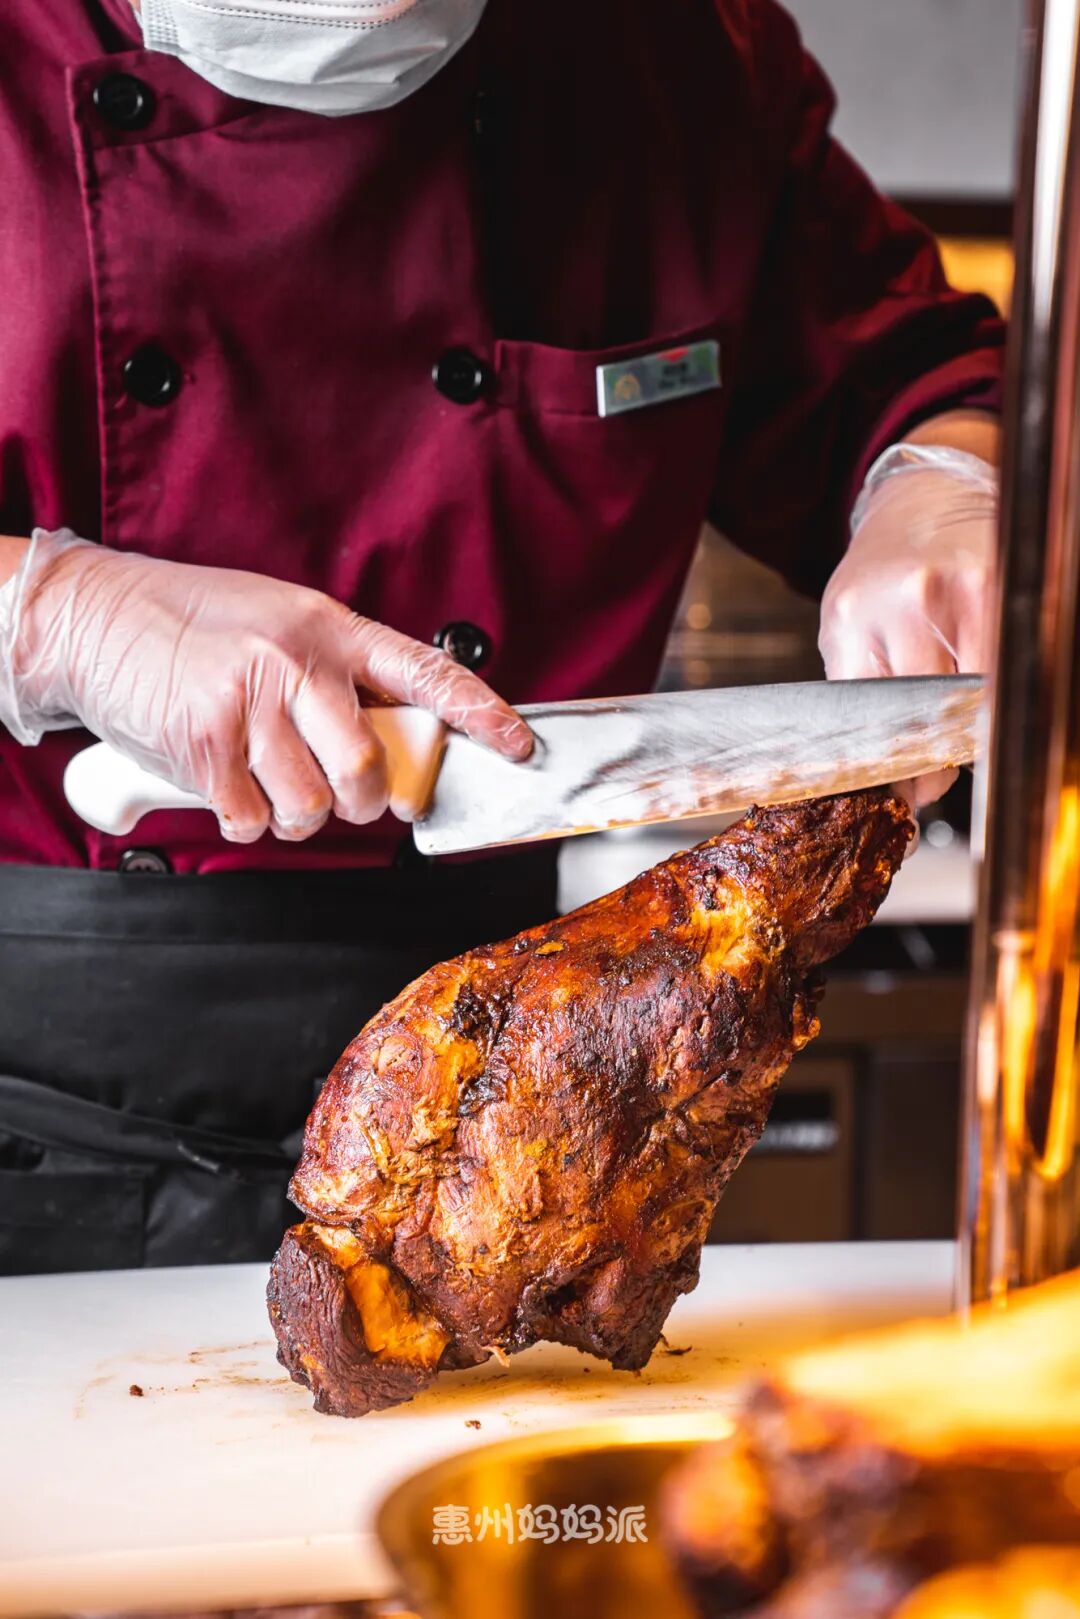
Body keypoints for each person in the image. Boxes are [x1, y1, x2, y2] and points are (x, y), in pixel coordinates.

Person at [0, 0, 1003, 1275]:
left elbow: (912, 373)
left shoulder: (671, 53)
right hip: (38, 1093)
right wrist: (51, 616)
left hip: (518, 1090)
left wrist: (942, 480)